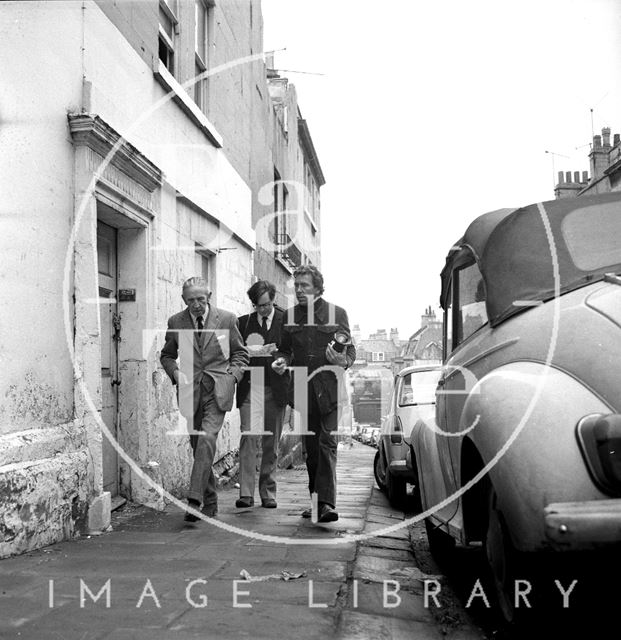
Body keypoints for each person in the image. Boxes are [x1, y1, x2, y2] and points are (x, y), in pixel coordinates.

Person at [160, 277, 248, 522]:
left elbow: (240, 353)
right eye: (191, 300)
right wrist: (175, 373)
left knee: (207, 438)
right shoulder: (176, 322)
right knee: (199, 446)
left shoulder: (228, 319)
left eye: (200, 299)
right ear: (183, 300)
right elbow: (167, 355)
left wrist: (232, 377)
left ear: (208, 296)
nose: (196, 305)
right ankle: (209, 500)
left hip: (217, 389)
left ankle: (193, 499)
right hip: (190, 391)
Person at [273, 265, 356, 523]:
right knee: (311, 449)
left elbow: (350, 353)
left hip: (330, 392)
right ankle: (316, 503)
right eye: (296, 285)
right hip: (303, 393)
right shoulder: (289, 317)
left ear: (318, 288)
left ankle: (327, 504)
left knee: (326, 444)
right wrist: (280, 361)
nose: (298, 290)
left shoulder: (336, 313)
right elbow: (283, 350)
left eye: (304, 285)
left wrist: (342, 359)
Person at [235, 280, 289, 509]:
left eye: (266, 305)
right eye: (258, 306)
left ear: (273, 300)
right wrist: (246, 354)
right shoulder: (242, 323)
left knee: (271, 443)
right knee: (249, 438)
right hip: (250, 387)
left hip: (275, 389)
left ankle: (268, 491)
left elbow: (292, 351)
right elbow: (235, 353)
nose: (263, 310)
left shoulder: (286, 320)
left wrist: (283, 361)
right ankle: (246, 493)